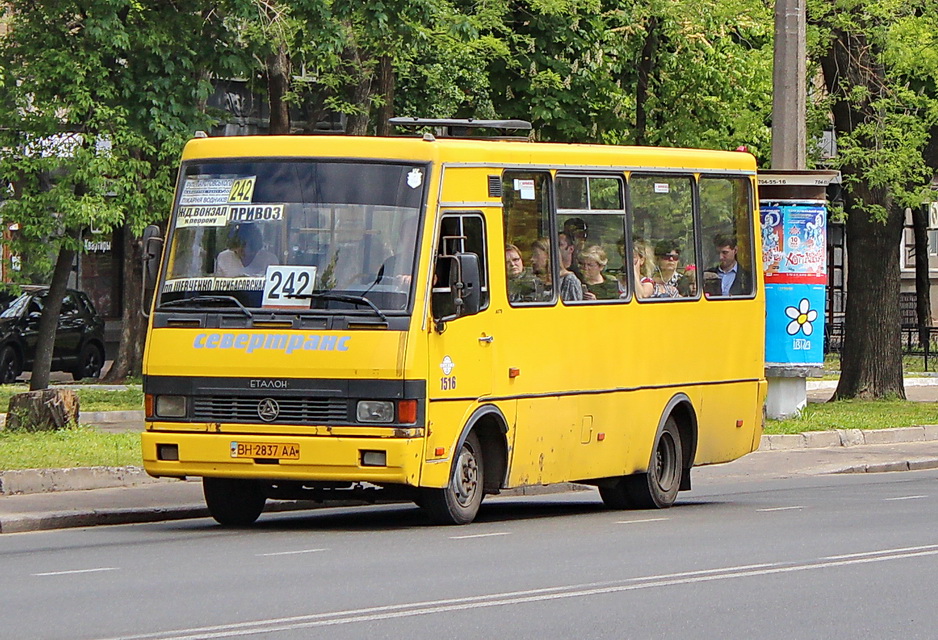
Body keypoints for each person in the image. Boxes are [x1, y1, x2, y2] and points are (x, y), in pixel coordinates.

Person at [557, 232, 584, 301]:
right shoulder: (553, 271)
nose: (555, 249)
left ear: (571, 249)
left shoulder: (579, 272)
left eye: (559, 245)